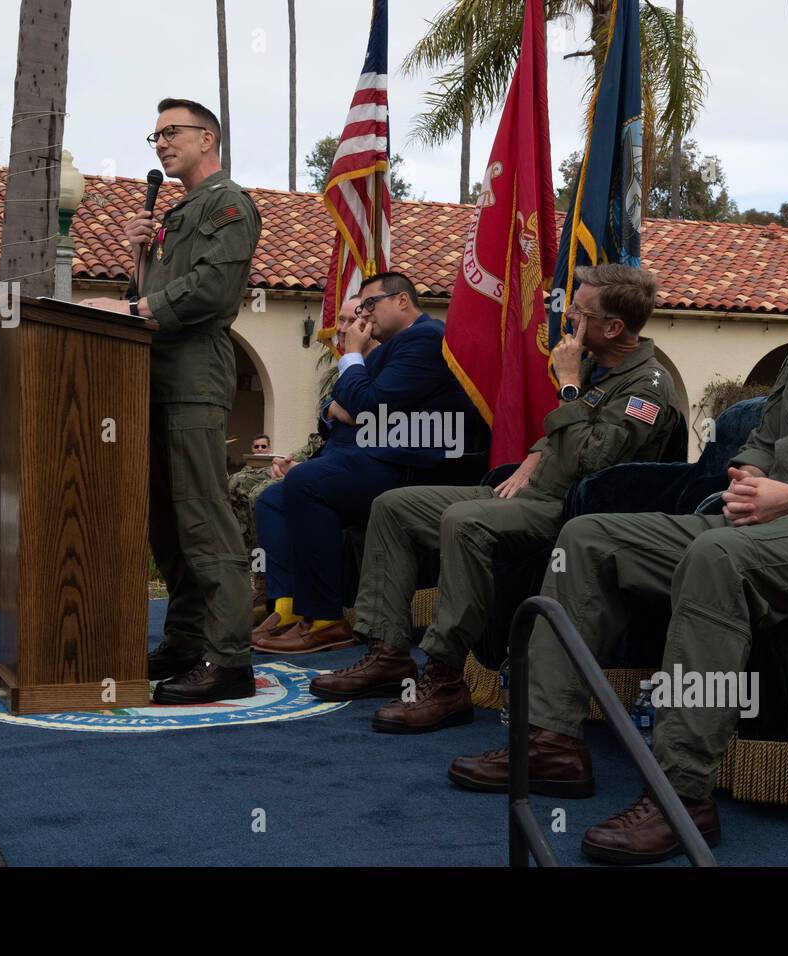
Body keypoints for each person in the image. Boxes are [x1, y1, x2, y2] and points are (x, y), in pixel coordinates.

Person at [448, 187, 788, 865]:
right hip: (764, 518)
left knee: (718, 559)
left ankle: (682, 796)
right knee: (590, 538)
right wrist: (749, 479)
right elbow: (765, 436)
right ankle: (550, 743)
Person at [309, 264, 681, 737]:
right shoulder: (596, 366)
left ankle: (445, 676)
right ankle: (388, 654)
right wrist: (536, 453)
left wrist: (568, 386)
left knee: (465, 521)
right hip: (529, 489)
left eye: (580, 312)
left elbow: (595, 459)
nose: (567, 316)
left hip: (573, 508)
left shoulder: (647, 386)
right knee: (394, 505)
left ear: (613, 328)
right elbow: (564, 437)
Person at [80, 97, 261, 704]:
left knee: (202, 516)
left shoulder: (227, 203)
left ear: (207, 138)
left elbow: (212, 290)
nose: (160, 143)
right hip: (149, 380)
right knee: (166, 520)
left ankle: (229, 659)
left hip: (192, 380)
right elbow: (149, 296)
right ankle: (186, 639)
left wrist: (134, 305)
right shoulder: (176, 214)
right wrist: (139, 263)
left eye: (171, 131)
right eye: (154, 135)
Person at [251, 272, 478, 655]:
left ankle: (325, 620)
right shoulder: (395, 345)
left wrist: (353, 357)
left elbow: (367, 404)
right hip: (376, 455)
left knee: (306, 482)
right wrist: (341, 404)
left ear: (402, 300)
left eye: (370, 304)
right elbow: (345, 400)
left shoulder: (425, 339)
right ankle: (289, 607)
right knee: (272, 500)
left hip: (412, 466)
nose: (364, 314)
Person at [228, 296, 372, 553]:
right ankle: (251, 564)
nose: (341, 329)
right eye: (340, 320)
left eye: (351, 321)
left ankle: (272, 569)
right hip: (318, 450)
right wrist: (331, 409)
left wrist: (301, 467)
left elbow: (356, 415)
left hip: (343, 463)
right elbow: (327, 416)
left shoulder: (370, 367)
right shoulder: (346, 366)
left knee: (264, 493)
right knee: (237, 483)